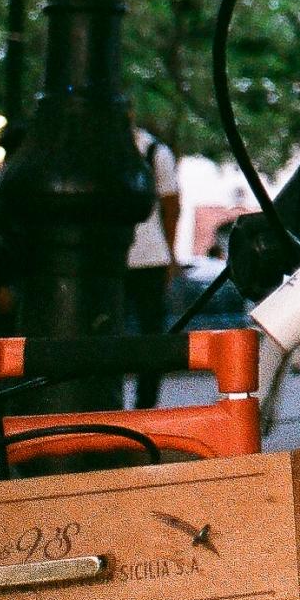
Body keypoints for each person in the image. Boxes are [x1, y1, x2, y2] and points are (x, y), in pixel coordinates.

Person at [127, 122, 181, 408]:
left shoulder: (154, 152)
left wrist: (170, 254)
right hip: (129, 257)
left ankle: (145, 404)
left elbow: (171, 205)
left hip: (149, 256)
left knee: (150, 335)